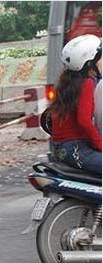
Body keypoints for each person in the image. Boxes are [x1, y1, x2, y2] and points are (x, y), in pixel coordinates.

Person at [50, 34, 102, 175]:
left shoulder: (66, 82)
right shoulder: (86, 83)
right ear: (89, 63)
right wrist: (100, 144)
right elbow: (84, 121)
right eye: (99, 58)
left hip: (58, 148)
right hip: (76, 149)